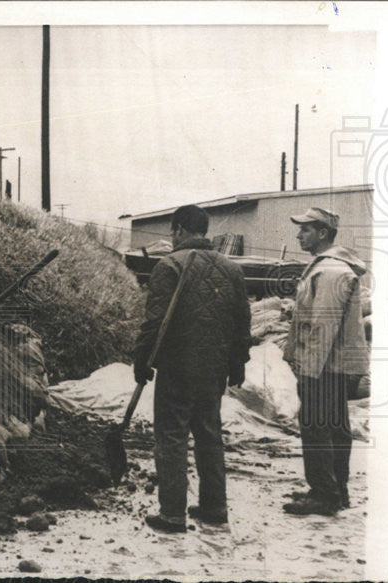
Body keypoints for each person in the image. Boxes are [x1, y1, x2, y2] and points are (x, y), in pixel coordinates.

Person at [134, 205, 251, 533]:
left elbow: (154, 322)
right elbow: (243, 321)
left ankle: (172, 514)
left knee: (171, 436)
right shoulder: (232, 270)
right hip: (214, 369)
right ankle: (215, 508)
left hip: (177, 366)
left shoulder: (169, 266)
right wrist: (238, 363)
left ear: (180, 230)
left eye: (172, 231)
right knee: (210, 435)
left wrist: (141, 360)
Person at [282, 207, 369, 516]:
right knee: (334, 426)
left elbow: (323, 325)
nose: (299, 234)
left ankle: (324, 494)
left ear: (322, 233)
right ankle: (336, 490)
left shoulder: (330, 271)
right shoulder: (329, 268)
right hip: (333, 366)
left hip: (324, 365)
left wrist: (310, 370)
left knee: (317, 426)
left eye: (305, 229)